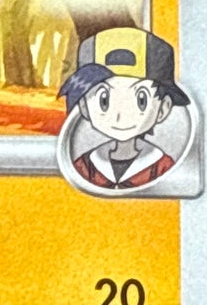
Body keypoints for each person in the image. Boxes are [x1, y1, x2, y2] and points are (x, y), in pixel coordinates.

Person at [57, 26, 194, 195]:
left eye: (141, 101)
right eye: (104, 101)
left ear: (164, 108)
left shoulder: (162, 166)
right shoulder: (85, 166)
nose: (119, 116)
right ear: (84, 106)